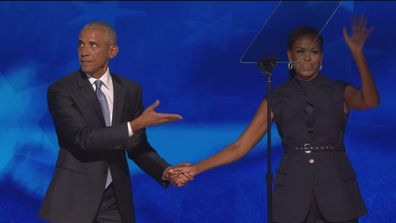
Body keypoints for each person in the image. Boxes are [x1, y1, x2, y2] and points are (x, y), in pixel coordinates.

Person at [172, 16, 379, 223]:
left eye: (314, 52)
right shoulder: (277, 97)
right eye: (300, 51)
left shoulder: (339, 91)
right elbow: (240, 146)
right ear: (290, 56)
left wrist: (358, 54)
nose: (307, 58)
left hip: (337, 194)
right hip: (293, 195)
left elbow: (370, 101)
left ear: (321, 57)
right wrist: (196, 168)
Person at [39, 21, 192, 223]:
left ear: (112, 51)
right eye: (80, 44)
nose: (84, 51)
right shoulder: (61, 90)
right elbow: (82, 139)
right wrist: (134, 124)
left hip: (114, 201)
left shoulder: (130, 90)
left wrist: (165, 171)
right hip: (73, 201)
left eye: (93, 45)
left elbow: (137, 146)